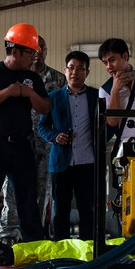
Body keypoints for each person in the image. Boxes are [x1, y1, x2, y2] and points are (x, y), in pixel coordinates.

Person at [0, 24, 50, 251]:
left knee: (28, 197)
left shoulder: (32, 78)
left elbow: (45, 107)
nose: (34, 58)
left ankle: (34, 244)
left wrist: (29, 93)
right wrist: (7, 92)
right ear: (14, 51)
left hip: (21, 145)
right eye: (30, 53)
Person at [0, 35, 65, 243]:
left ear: (46, 51)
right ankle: (8, 238)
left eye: (41, 48)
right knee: (12, 192)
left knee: (41, 194)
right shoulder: (15, 76)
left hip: (45, 147)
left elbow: (62, 114)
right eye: (33, 49)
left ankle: (34, 239)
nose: (37, 53)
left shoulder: (58, 79)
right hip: (18, 142)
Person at [37, 51, 99, 240]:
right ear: (65, 70)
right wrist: (56, 136)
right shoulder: (53, 97)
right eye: (71, 68)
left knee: (87, 210)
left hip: (87, 162)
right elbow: (42, 125)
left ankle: (88, 250)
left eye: (80, 68)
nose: (75, 72)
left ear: (87, 73)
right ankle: (61, 252)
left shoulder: (96, 96)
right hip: (61, 164)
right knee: (60, 211)